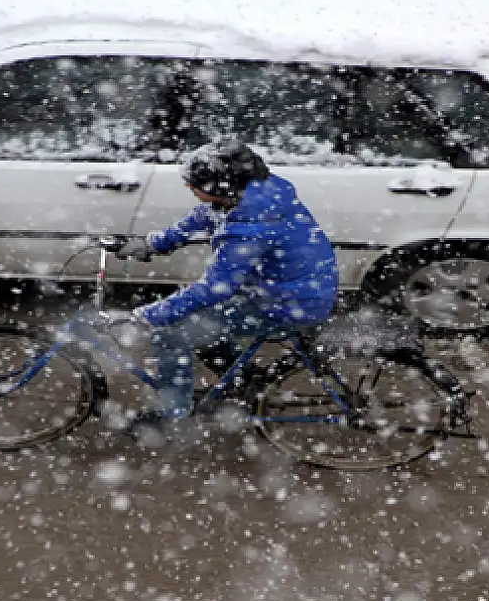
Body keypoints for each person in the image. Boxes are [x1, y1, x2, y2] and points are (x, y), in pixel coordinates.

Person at [115, 138, 339, 428]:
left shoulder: (250, 226)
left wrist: (147, 316)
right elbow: (202, 217)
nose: (188, 187)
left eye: (194, 183)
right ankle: (246, 380)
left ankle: (172, 416)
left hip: (288, 303)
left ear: (218, 187)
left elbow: (215, 287)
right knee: (198, 320)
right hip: (291, 290)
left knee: (170, 333)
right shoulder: (254, 196)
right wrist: (150, 245)